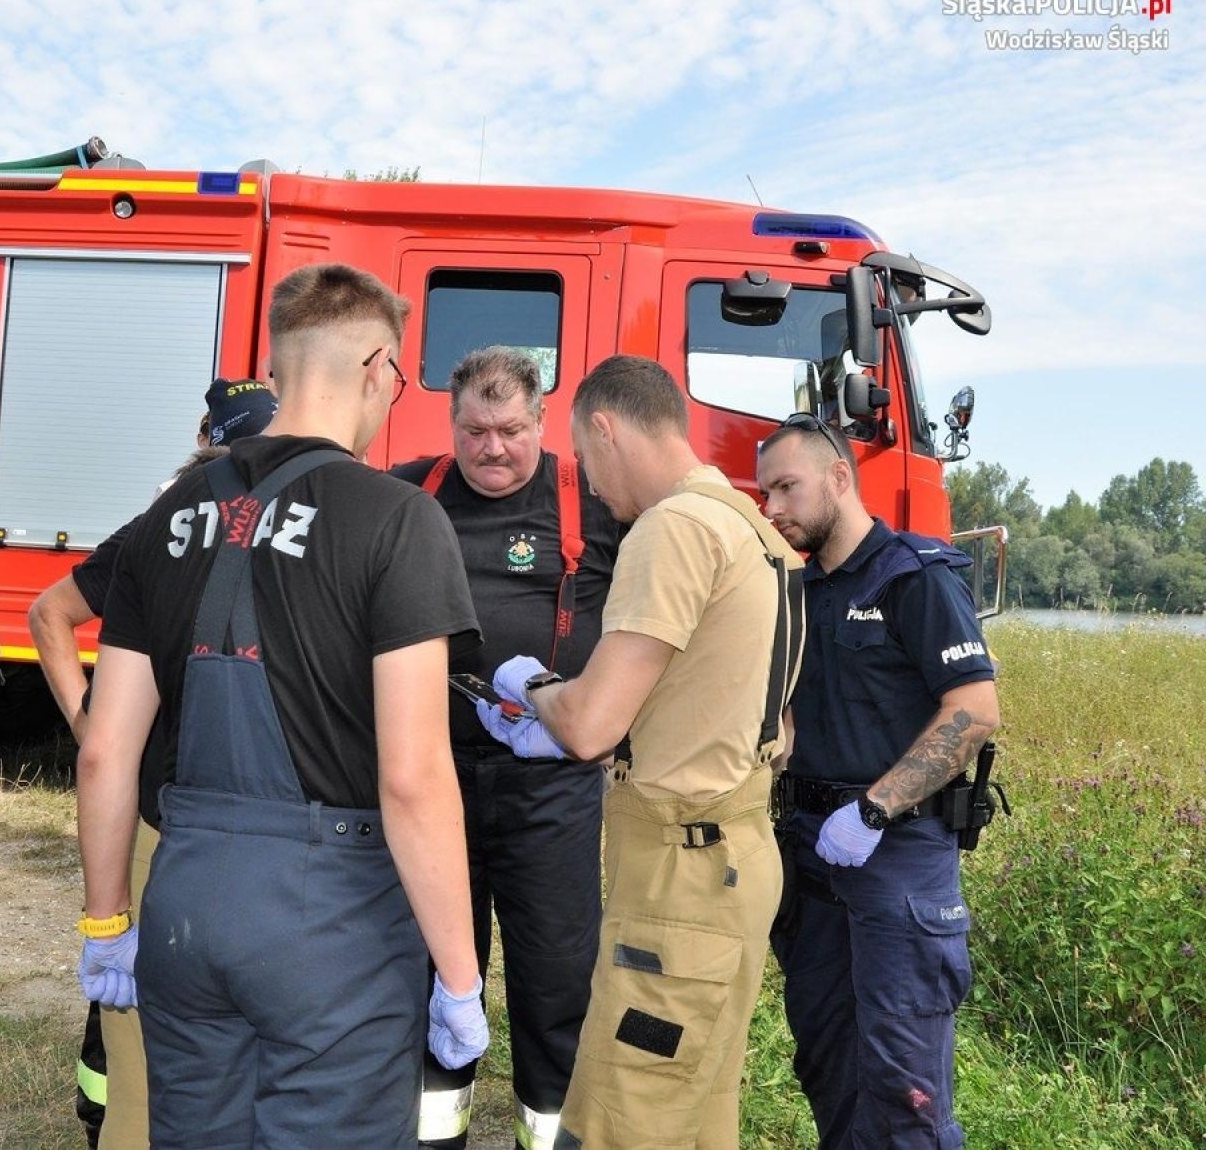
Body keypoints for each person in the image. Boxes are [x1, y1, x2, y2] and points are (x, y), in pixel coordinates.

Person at [75, 262, 490, 1147]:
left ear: (278, 369)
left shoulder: (169, 514)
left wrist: (108, 922)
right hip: (331, 916)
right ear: (379, 365)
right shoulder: (398, 519)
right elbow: (414, 779)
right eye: (399, 380)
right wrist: (459, 975)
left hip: (186, 899)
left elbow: (105, 750)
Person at [482, 356, 804, 1149]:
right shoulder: (752, 529)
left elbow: (589, 726)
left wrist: (534, 693)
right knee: (696, 1110)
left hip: (679, 876)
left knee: (630, 1115)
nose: (590, 487)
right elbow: (776, 721)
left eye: (586, 464)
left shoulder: (672, 529)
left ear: (604, 428)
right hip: (734, 856)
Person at [29, 376, 275, 1150]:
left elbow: (50, 614)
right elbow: (51, 613)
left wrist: (94, 724)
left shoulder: (187, 524)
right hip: (194, 832)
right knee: (153, 1063)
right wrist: (91, 723)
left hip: (183, 833)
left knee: (161, 1061)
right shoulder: (170, 528)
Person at [390, 347, 619, 1150]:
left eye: (511, 430)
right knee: (427, 975)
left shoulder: (591, 501)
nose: (492, 449)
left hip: (549, 788)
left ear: (542, 420)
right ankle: (429, 1134)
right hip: (431, 781)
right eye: (475, 431)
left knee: (555, 980)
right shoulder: (406, 492)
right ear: (451, 423)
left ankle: (550, 1132)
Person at [756, 414, 999, 1149]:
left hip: (895, 857)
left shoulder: (912, 577)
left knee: (905, 1087)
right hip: (811, 854)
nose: (772, 509)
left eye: (786, 488)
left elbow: (973, 711)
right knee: (826, 1060)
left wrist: (873, 809)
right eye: (765, 493)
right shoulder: (798, 590)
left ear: (838, 478)